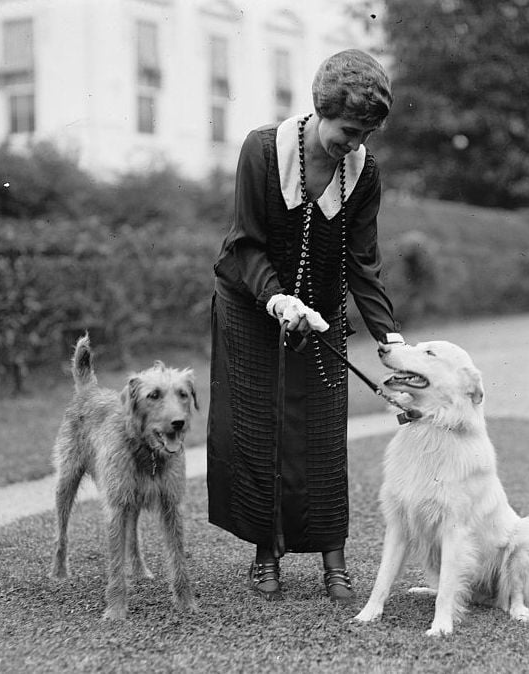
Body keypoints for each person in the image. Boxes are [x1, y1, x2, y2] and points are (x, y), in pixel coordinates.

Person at [207, 49, 403, 604]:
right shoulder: (262, 150)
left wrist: (389, 337)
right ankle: (265, 554)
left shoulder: (364, 173)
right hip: (250, 302)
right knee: (260, 424)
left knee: (320, 427)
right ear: (320, 111)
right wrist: (277, 301)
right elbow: (244, 242)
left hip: (320, 310)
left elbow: (362, 262)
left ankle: (333, 559)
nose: (355, 144)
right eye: (348, 130)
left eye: (366, 133)